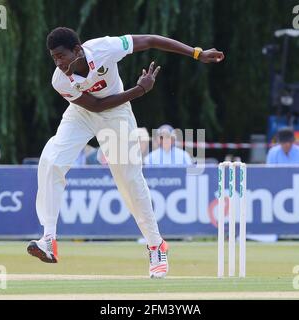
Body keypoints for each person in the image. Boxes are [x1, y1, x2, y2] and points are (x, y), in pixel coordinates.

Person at [27, 27, 224, 278]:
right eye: (53, 57)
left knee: (128, 179)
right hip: (83, 114)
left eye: (62, 56)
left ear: (77, 50)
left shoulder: (104, 48)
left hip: (117, 114)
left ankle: (156, 245)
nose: (58, 63)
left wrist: (197, 53)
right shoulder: (60, 80)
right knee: (52, 160)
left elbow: (150, 40)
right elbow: (95, 106)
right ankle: (49, 239)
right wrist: (139, 90)